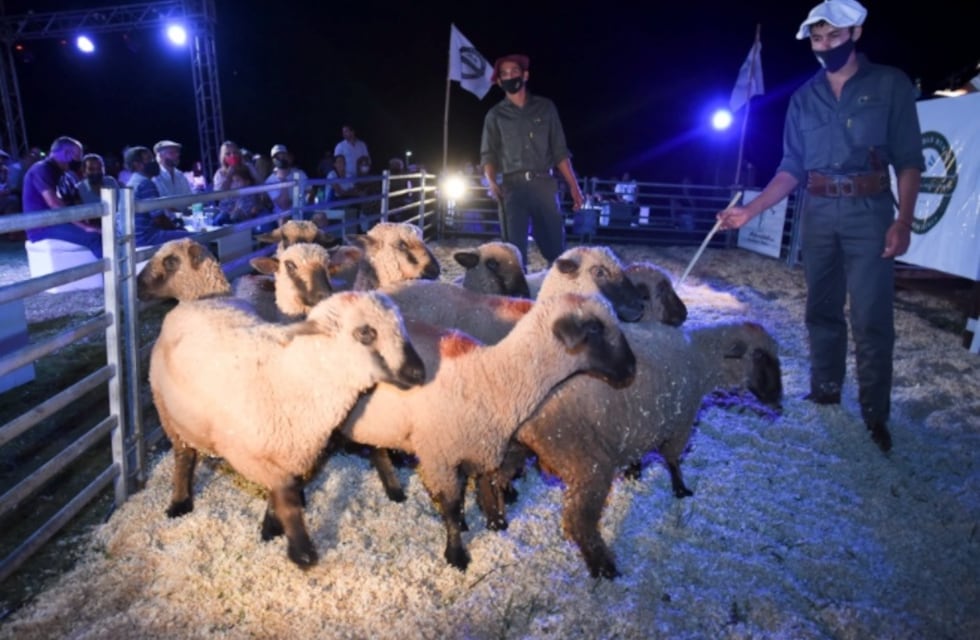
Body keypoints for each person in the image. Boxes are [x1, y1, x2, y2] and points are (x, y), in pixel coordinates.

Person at [716, 0, 923, 453]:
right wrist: (750, 210)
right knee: (821, 310)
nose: (825, 46)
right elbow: (791, 168)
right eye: (817, 38)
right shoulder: (803, 97)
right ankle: (826, 389)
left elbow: (909, 160)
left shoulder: (890, 84)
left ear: (856, 33)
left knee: (871, 317)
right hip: (818, 211)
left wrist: (904, 220)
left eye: (833, 36)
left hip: (870, 211)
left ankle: (875, 412)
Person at [480, 53, 585, 269]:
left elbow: (559, 151)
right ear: (499, 81)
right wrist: (491, 181)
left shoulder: (546, 108)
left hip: (544, 185)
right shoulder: (495, 115)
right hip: (512, 188)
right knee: (513, 253)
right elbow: (488, 154)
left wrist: (574, 186)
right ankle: (519, 289)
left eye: (514, 72)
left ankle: (557, 285)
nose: (510, 77)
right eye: (504, 74)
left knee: (556, 247)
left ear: (525, 75)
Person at [22, 136, 103, 258]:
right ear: (66, 153)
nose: (78, 161)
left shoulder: (65, 175)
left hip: (60, 222)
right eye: (77, 156)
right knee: (94, 237)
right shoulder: (42, 169)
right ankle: (111, 271)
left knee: (103, 230)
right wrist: (85, 227)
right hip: (43, 228)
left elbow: (75, 201)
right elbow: (54, 204)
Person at [125, 146, 192, 246]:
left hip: (136, 238)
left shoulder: (134, 181)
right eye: (148, 159)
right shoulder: (145, 183)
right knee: (198, 238)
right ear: (137, 164)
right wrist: (177, 229)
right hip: (148, 237)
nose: (154, 162)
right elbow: (159, 219)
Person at [264, 143, 311, 215]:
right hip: (284, 216)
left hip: (303, 211)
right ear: (273, 161)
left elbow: (310, 191)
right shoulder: (269, 181)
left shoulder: (300, 173)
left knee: (320, 216)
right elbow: (284, 206)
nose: (281, 158)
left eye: (283, 155)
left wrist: (305, 201)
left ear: (289, 157)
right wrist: (283, 180)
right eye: (278, 157)